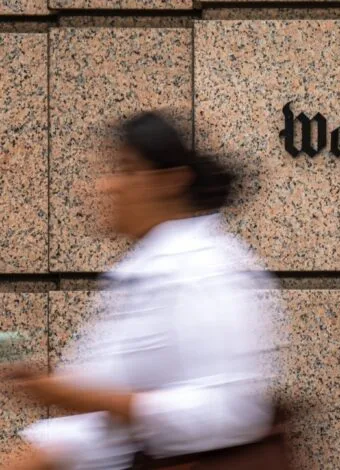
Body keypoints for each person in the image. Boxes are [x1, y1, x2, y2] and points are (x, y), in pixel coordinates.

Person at [2, 111, 283, 470]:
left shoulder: (206, 269)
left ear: (171, 182)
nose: (107, 185)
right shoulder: (141, 272)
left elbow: (234, 409)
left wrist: (85, 398)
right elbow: (90, 429)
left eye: (126, 169)